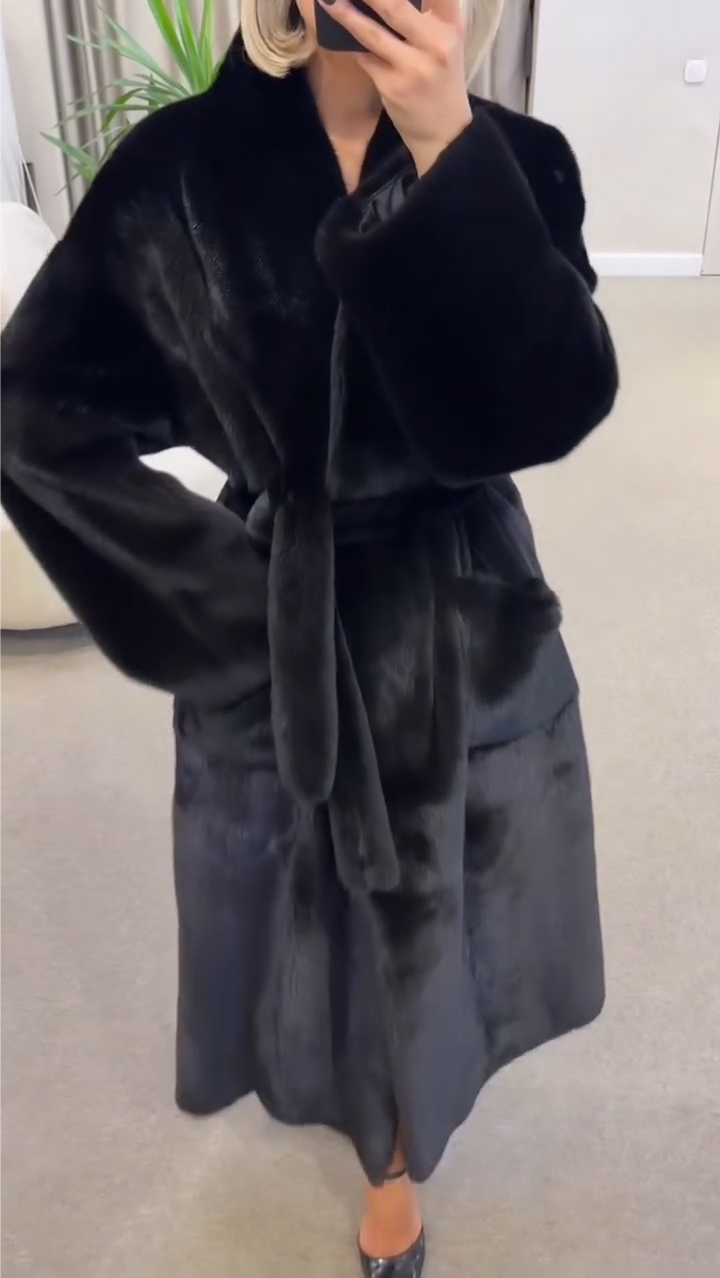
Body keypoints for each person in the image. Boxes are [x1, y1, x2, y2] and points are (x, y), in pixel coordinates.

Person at [1, 0, 618, 1272]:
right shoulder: (176, 173)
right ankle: (372, 1130)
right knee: (307, 921)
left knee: (446, 914)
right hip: (275, 621)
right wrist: (211, 608)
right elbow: (30, 414)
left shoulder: (521, 159)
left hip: (463, 616)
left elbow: (550, 408)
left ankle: (398, 1153)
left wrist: (449, 154)